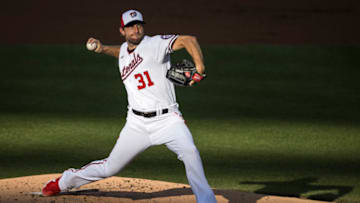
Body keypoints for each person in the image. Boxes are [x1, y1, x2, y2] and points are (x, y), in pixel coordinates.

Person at [42, 9, 217, 203]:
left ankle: (206, 200)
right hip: (136, 124)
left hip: (168, 120)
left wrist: (199, 67)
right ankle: (64, 181)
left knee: (190, 152)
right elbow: (122, 52)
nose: (135, 29)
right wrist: (102, 49)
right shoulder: (125, 51)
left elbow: (188, 40)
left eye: (138, 24)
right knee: (110, 168)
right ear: (122, 31)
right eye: (130, 26)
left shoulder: (155, 44)